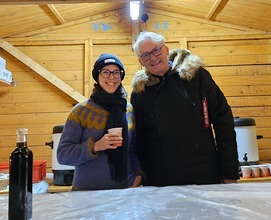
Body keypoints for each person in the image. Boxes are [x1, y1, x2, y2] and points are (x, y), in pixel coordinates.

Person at [131, 31, 239, 186]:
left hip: (203, 173)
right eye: (146, 55)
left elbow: (224, 121)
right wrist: (139, 174)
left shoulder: (197, 76)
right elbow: (138, 138)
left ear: (166, 49)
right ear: (141, 61)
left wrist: (229, 172)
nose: (153, 57)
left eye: (156, 50)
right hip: (160, 179)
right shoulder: (139, 91)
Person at [57, 53, 143, 190]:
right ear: (97, 76)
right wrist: (95, 146)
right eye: (105, 72)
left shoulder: (128, 110)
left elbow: (133, 150)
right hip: (88, 196)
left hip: (125, 192)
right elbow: (63, 155)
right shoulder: (80, 111)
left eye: (116, 72)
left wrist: (139, 174)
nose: (111, 77)